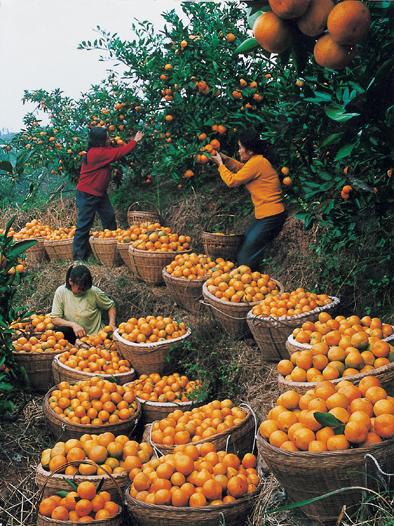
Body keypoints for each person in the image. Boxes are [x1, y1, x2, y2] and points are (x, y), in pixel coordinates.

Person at [211, 128, 286, 270]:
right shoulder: (256, 161)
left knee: (245, 255)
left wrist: (221, 165)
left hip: (272, 215)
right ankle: (249, 274)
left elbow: (232, 181)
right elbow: (242, 169)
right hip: (265, 215)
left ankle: (250, 278)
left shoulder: (258, 163)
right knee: (244, 243)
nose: (239, 151)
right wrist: (226, 160)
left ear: (250, 151)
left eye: (240, 148)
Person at [73, 126, 144, 261]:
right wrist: (135, 141)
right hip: (88, 194)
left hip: (99, 193)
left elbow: (113, 150)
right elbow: (119, 152)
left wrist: (127, 141)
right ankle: (79, 258)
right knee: (84, 225)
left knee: (109, 217)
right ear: (101, 140)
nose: (110, 139)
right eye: (107, 137)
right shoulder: (96, 154)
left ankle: (111, 250)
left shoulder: (100, 150)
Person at [50, 264, 116, 343]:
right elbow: (55, 318)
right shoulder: (61, 292)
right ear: (70, 281)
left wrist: (112, 324)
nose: (83, 291)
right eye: (80, 289)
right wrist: (73, 325)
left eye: (85, 289)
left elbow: (111, 306)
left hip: (96, 338)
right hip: (75, 337)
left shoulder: (94, 292)